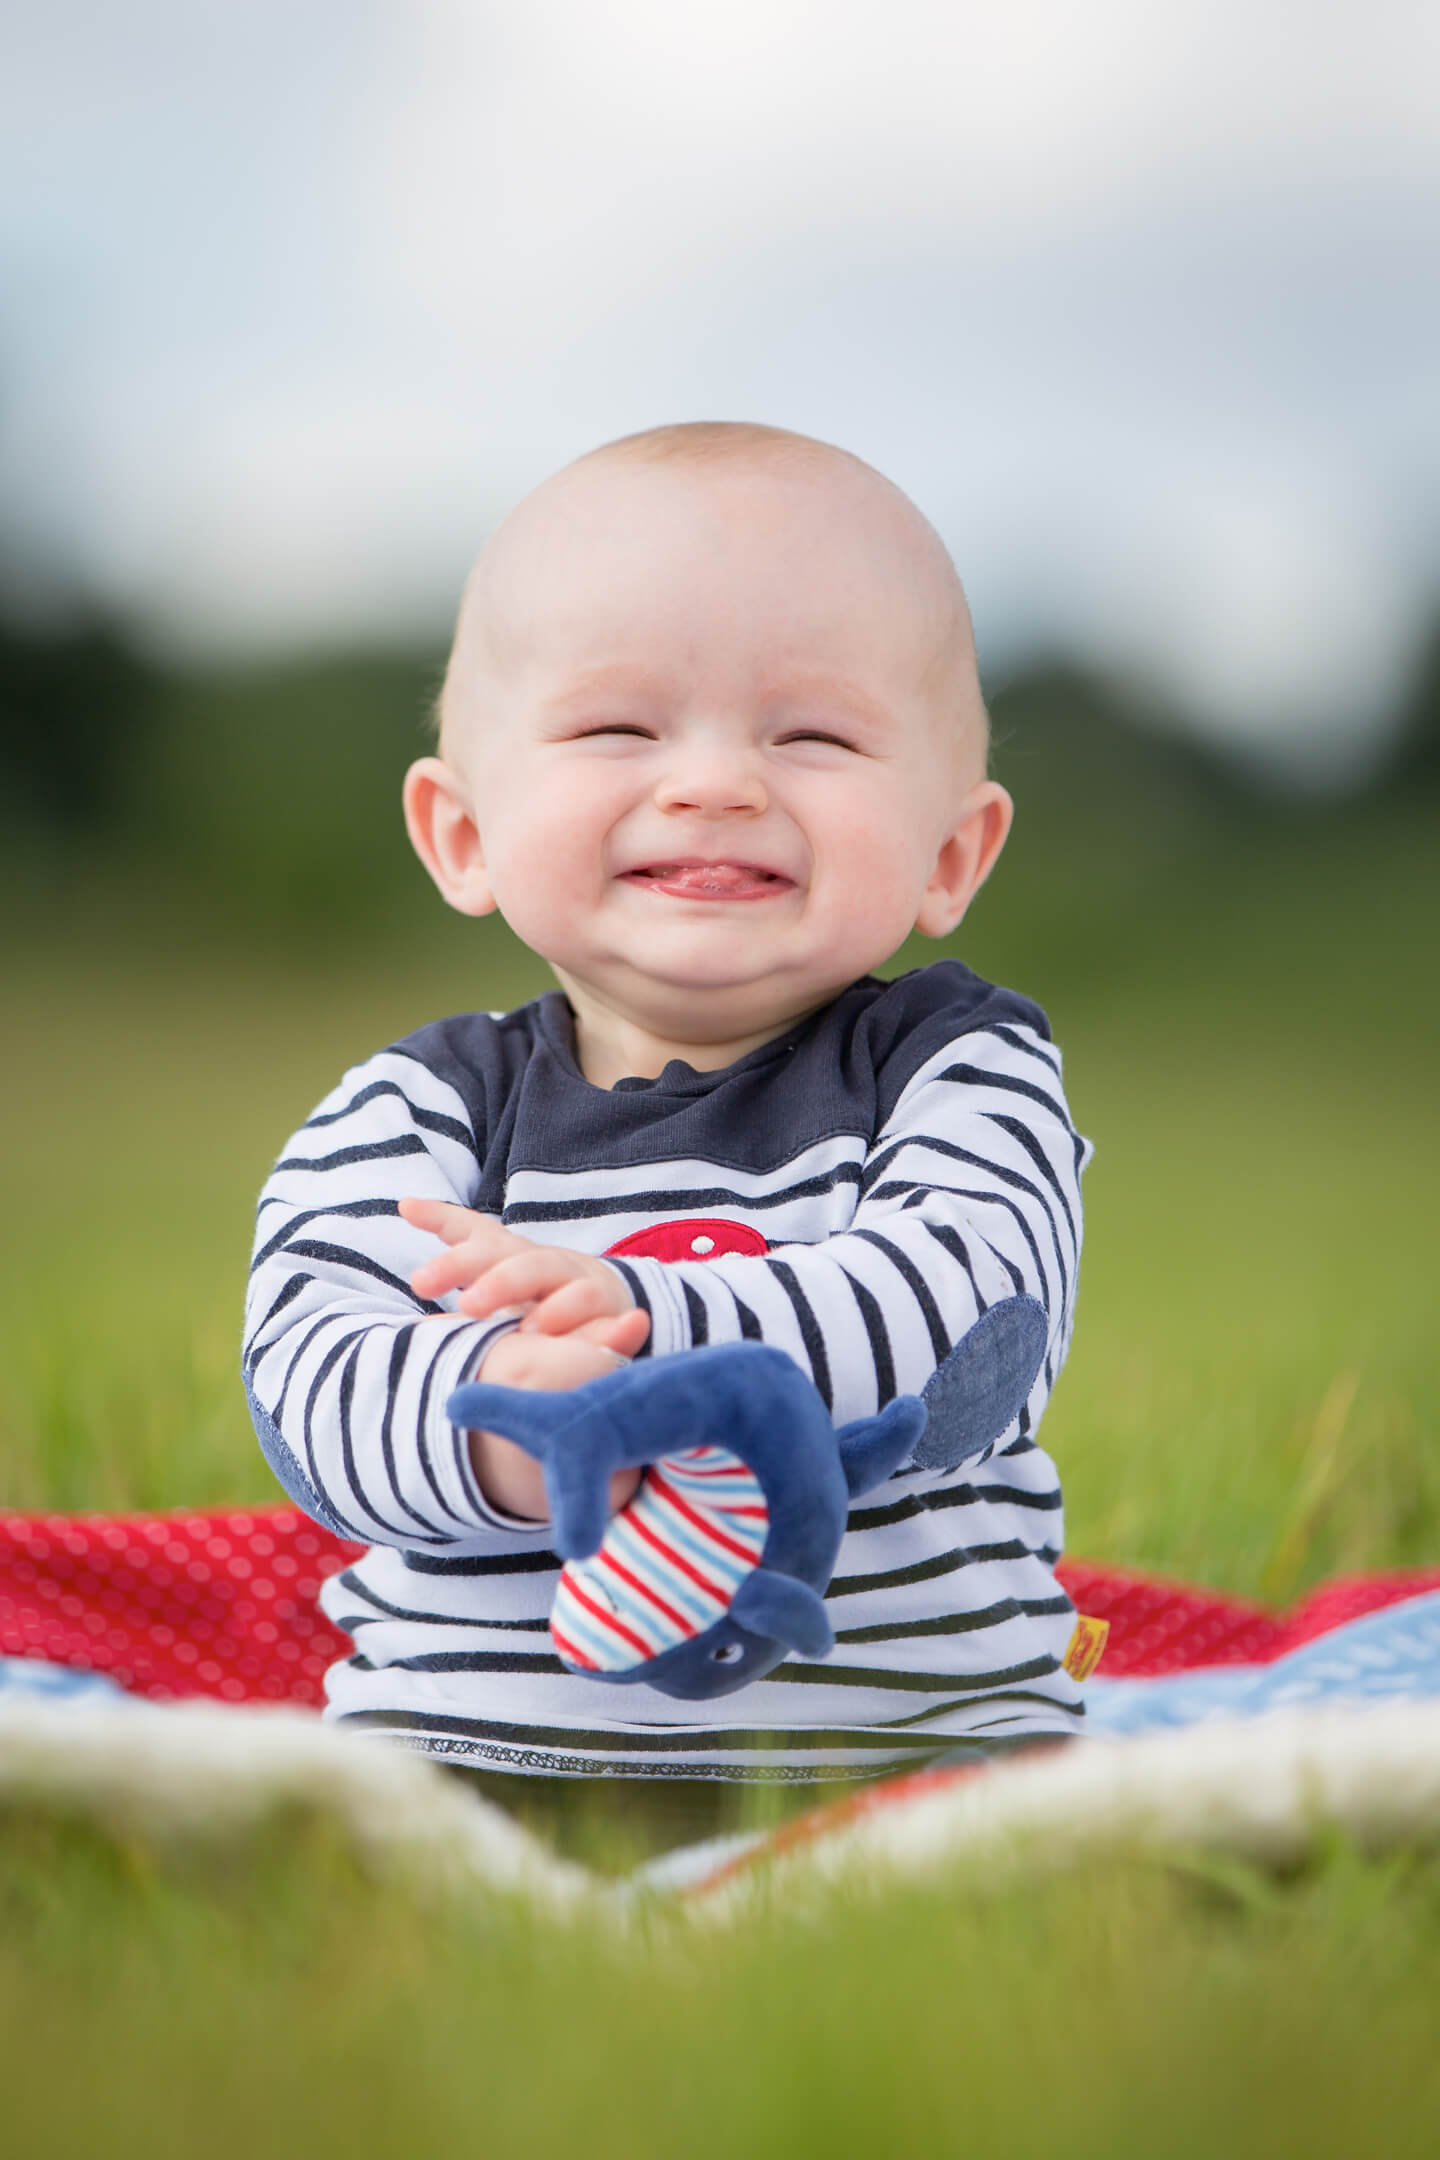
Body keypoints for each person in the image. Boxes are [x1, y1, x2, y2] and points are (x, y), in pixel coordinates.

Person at [242, 422, 1091, 1858]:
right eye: (618, 728)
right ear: (462, 834)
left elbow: (975, 1335)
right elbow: (307, 1383)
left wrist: (655, 1329)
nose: (716, 784)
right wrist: (522, 1426)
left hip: (909, 1796)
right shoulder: (419, 1107)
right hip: (465, 1796)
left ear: (953, 851)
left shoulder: (957, 1063)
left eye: (812, 734)